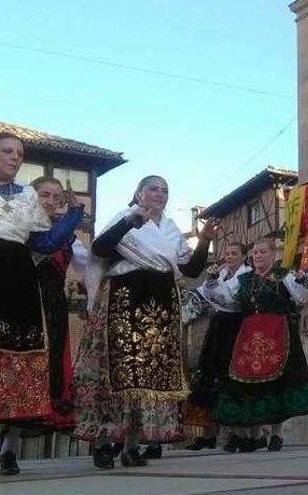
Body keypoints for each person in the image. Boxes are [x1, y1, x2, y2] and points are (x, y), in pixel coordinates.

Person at [73, 175, 219, 469]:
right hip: (124, 300)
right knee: (115, 375)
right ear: (138, 193)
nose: (160, 194)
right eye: (153, 188)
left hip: (160, 304)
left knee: (148, 378)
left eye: (165, 190)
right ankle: (103, 442)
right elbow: (100, 249)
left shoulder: (169, 228)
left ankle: (131, 445)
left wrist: (204, 241)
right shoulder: (124, 218)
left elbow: (190, 269)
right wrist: (130, 221)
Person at [0, 132, 67, 476]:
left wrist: (70, 219)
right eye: (7, 150)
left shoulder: (26, 196)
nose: (15, 157)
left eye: (20, 153)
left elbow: (46, 243)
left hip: (19, 282)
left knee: (11, 365)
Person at [212, 237, 308, 450]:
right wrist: (213, 281)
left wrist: (304, 281)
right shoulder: (244, 279)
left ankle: (276, 434)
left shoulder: (285, 275)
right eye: (255, 252)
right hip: (250, 335)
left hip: (278, 332)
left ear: (274, 254)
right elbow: (225, 298)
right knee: (249, 383)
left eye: (263, 252)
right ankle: (253, 434)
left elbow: (304, 296)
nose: (258, 256)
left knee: (277, 383)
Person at [31, 177, 86, 432]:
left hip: (54, 308)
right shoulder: (21, 225)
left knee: (49, 369)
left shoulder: (69, 235)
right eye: (44, 195)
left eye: (57, 198)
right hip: (25, 301)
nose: (51, 202)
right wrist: (74, 215)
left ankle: (8, 449)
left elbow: (91, 266)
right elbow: (47, 242)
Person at [186, 243, 251, 452]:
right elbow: (204, 293)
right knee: (206, 375)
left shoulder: (246, 275)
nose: (230, 257)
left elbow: (230, 299)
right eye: (227, 253)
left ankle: (233, 433)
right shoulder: (221, 273)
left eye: (234, 254)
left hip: (236, 325)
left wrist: (213, 284)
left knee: (230, 379)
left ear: (243, 256)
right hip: (218, 326)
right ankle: (206, 434)